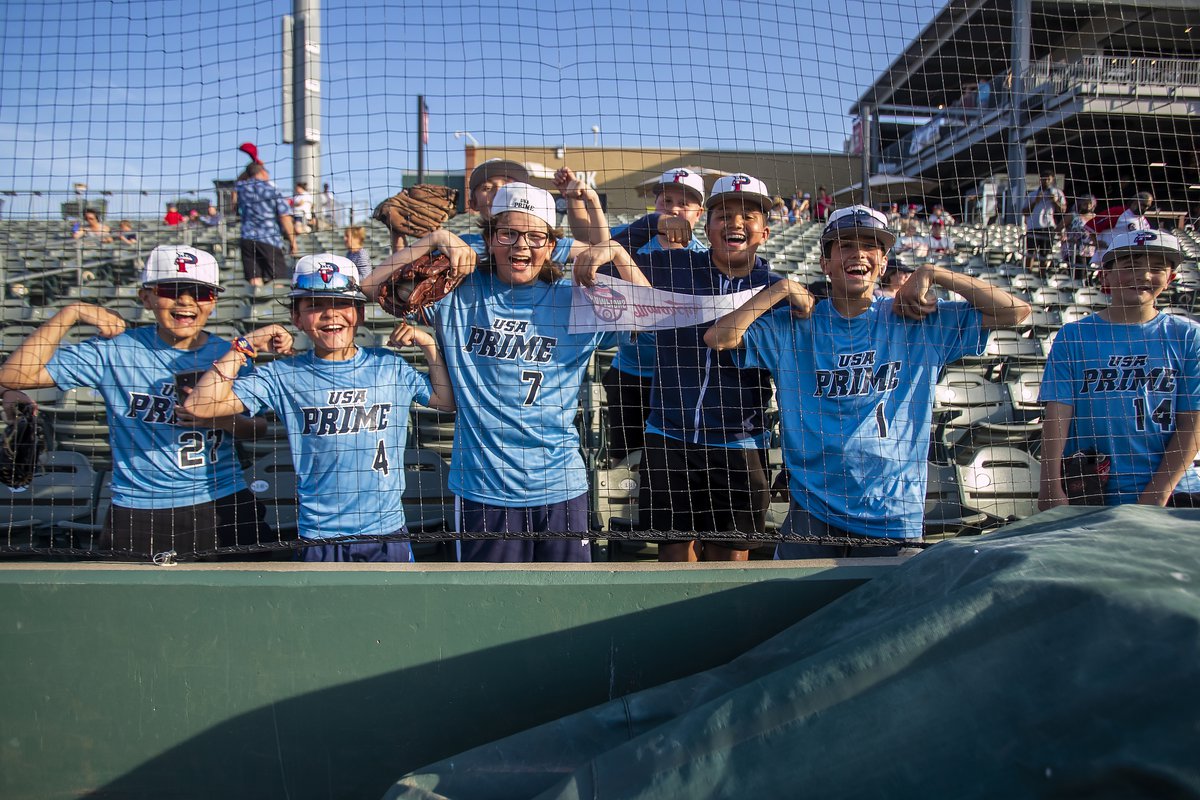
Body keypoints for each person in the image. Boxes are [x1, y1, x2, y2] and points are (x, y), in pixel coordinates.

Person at [704, 205, 1030, 558]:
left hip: (894, 513)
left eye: (871, 245)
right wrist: (781, 288)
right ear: (825, 264)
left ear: (884, 262)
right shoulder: (795, 324)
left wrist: (934, 272)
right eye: (844, 245)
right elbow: (718, 338)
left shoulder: (917, 321)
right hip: (813, 509)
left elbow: (1016, 312)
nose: (859, 253)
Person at [365, 183, 631, 563]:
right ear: (488, 238)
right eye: (507, 234)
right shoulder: (456, 292)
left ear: (551, 245)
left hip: (560, 485)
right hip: (482, 486)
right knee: (487, 604)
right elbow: (369, 287)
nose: (521, 246)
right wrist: (437, 238)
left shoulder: (578, 298)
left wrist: (615, 252)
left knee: (568, 599)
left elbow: (653, 318)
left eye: (535, 236)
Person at [0, 245, 269, 560]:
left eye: (201, 293)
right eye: (171, 289)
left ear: (213, 302)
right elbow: (13, 375)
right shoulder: (114, 350)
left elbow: (257, 430)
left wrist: (219, 420)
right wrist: (70, 313)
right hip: (139, 508)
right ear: (146, 297)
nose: (186, 301)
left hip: (222, 501)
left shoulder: (229, 356)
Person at [183, 255, 455, 562]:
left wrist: (427, 343)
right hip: (319, 536)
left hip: (387, 531)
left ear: (359, 314)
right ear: (297, 318)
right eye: (314, 305)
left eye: (341, 304)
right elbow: (200, 405)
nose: (329, 315)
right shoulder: (282, 374)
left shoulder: (388, 366)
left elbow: (445, 402)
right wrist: (244, 345)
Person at [579, 173, 785, 563]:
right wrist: (650, 224)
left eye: (748, 216)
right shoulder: (677, 265)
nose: (736, 223)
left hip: (740, 443)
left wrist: (786, 289)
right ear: (705, 228)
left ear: (765, 232)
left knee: (729, 558)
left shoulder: (773, 286)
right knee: (673, 556)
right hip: (669, 436)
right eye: (723, 215)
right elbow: (602, 269)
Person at [1038, 230, 1200, 510]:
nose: (1144, 276)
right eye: (1130, 267)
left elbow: (1193, 423)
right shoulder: (1074, 336)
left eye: (1157, 269)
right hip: (1094, 491)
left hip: (1172, 492)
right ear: (1106, 276)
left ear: (1171, 278)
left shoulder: (1188, 336)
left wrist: (1156, 495)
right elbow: (1057, 415)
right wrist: (1050, 485)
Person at [601, 168, 708, 463]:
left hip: (678, 378)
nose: (673, 209)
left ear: (698, 214)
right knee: (624, 463)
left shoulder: (704, 259)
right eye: (666, 200)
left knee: (670, 461)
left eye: (683, 204)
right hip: (629, 373)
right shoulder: (632, 246)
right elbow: (598, 258)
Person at [236, 161, 299, 286]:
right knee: (278, 281)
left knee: (254, 279)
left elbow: (239, 181)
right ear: (263, 172)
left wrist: (251, 169)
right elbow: (285, 217)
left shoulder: (242, 188)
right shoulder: (271, 190)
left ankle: (257, 305)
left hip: (247, 238)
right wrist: (293, 242)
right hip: (269, 239)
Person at [1022, 169, 1067, 274]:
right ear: (1040, 180)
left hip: (1048, 226)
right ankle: (1027, 274)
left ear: (1052, 180)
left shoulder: (1057, 193)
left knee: (1045, 253)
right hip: (1033, 226)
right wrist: (1035, 202)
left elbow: (1063, 210)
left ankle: (1042, 275)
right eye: (1043, 179)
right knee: (1030, 252)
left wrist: (1055, 202)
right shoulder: (1032, 195)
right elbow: (1024, 212)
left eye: (1048, 179)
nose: (1046, 181)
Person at [1062, 194, 1097, 275]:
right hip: (1074, 249)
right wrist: (1063, 235)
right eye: (1085, 203)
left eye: (1090, 203)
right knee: (1079, 271)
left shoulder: (1095, 217)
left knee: (1088, 272)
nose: (1088, 205)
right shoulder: (1072, 216)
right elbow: (1059, 228)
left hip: (1090, 249)